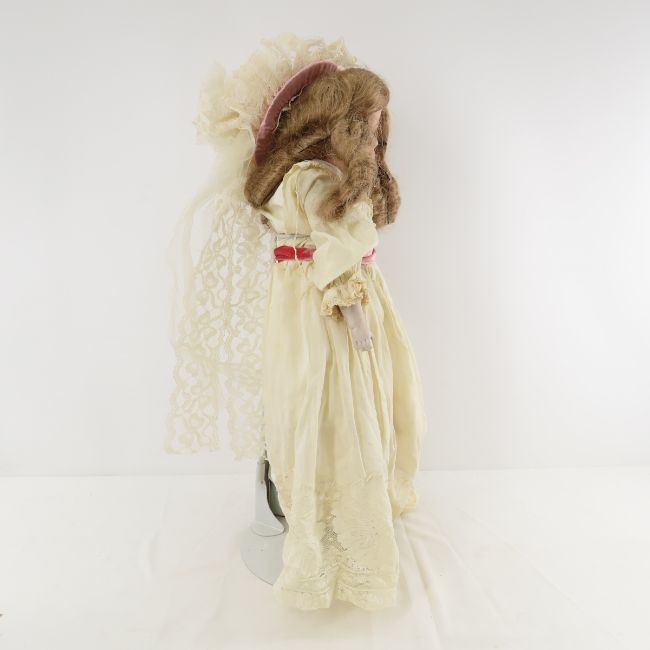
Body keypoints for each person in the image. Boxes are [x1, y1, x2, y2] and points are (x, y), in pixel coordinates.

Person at [165, 33, 427, 611]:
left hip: (317, 299)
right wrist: (352, 305)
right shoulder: (313, 179)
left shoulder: (311, 177)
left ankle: (336, 512)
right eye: (369, 126)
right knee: (325, 398)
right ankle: (320, 519)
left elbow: (337, 248)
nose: (377, 137)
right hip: (323, 307)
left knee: (334, 398)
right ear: (341, 125)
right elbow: (333, 255)